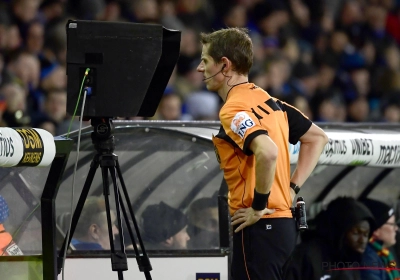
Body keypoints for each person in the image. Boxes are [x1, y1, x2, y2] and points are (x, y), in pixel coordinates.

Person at [197, 27, 328, 280]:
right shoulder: (271, 102)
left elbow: (267, 152)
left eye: (204, 61)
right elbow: (317, 138)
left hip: (257, 228)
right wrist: (292, 188)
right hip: (284, 228)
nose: (199, 69)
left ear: (225, 65)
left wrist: (258, 206)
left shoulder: (232, 109)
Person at [286, 197, 375, 280]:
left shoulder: (351, 261)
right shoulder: (306, 256)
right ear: (340, 230)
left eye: (366, 235)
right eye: (356, 233)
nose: (362, 240)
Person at [361, 198, 399, 280]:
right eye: (392, 224)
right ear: (376, 230)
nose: (396, 228)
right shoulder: (368, 258)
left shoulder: (386, 254)